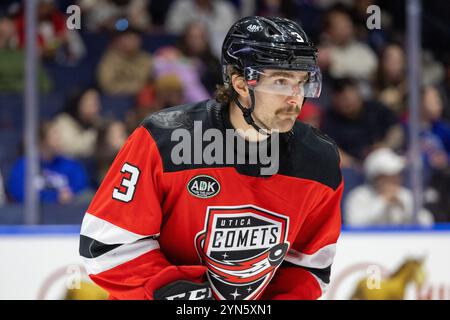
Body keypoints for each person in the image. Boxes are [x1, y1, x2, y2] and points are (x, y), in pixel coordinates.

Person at [80, 16, 343, 300]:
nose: (296, 99)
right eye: (281, 81)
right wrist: (184, 297)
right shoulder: (164, 140)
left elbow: (309, 265)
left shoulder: (319, 161)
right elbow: (105, 245)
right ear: (241, 83)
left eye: (301, 82)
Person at [344, 148, 434, 226]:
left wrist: (406, 209)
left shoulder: (405, 194)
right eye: (388, 176)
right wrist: (382, 201)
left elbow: (427, 222)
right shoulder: (359, 196)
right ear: (375, 178)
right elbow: (354, 225)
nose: (395, 180)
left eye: (397, 175)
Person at [7, 122, 90, 204]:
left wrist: (71, 194)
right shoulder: (24, 165)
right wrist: (54, 197)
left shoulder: (71, 165)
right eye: (55, 137)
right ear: (42, 140)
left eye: (59, 137)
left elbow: (82, 189)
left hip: (66, 214)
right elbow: (19, 194)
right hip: (35, 215)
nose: (59, 140)